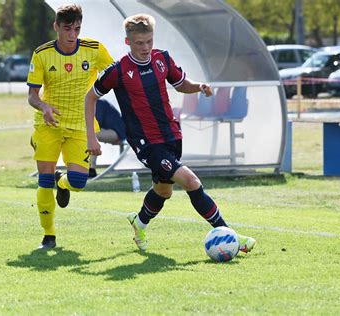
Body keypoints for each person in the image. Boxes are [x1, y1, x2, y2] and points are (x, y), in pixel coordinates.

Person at [85, 14, 256, 253]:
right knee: (191, 182)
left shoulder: (162, 59)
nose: (145, 48)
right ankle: (232, 237)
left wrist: (199, 86)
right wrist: (92, 136)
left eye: (149, 41)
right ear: (128, 42)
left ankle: (140, 222)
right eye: (139, 43)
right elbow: (90, 96)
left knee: (163, 191)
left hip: (171, 134)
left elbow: (180, 83)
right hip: (146, 142)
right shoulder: (119, 70)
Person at [27, 4, 113, 250]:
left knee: (78, 181)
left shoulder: (94, 50)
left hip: (80, 125)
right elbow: (32, 95)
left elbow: (116, 72)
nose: (72, 34)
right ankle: (49, 235)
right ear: (56, 27)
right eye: (67, 28)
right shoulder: (42, 54)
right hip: (48, 125)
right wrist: (43, 107)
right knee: (43, 181)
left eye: (76, 28)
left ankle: (61, 182)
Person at [89, 99, 126, 178]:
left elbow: (97, 124)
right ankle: (89, 168)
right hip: (115, 131)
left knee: (91, 134)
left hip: (118, 133)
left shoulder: (97, 103)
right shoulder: (96, 102)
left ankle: (91, 168)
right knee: (90, 134)